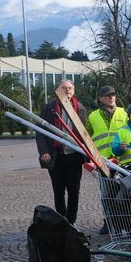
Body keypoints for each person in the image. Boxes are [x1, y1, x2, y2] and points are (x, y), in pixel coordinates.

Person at [35, 80, 86, 224]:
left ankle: (71, 222)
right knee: (58, 190)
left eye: (70, 88)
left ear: (74, 90)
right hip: (56, 156)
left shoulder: (80, 108)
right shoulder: (48, 108)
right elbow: (40, 132)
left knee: (74, 191)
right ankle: (61, 219)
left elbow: (84, 134)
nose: (67, 90)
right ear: (57, 90)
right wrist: (44, 151)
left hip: (74, 156)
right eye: (64, 88)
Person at [86, 85, 128, 158]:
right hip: (100, 158)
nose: (111, 97)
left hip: (120, 157)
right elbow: (86, 138)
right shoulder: (92, 116)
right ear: (100, 98)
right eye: (108, 95)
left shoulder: (124, 114)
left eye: (113, 95)